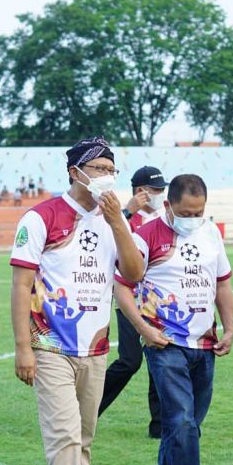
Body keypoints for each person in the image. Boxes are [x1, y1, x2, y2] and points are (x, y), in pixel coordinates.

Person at [10, 135, 143, 465]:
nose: (106, 176)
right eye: (98, 168)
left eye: (111, 169)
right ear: (75, 172)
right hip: (50, 344)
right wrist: (23, 348)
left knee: (84, 439)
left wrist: (119, 222)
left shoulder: (113, 220)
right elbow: (21, 285)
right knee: (65, 437)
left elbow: (134, 273)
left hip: (96, 346)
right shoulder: (42, 217)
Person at [116, 174, 233, 465]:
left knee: (189, 422)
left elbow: (222, 284)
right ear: (168, 205)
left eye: (199, 212)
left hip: (205, 344)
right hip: (165, 344)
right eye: (185, 212)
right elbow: (122, 287)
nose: (193, 218)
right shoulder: (145, 235)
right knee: (181, 419)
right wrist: (144, 329)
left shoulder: (211, 234)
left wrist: (229, 328)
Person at [98, 165, 168, 438]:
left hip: (156, 303)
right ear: (141, 191)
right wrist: (127, 212)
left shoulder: (165, 218)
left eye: (162, 189)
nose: (161, 194)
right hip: (128, 299)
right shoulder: (123, 218)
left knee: (158, 361)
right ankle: (88, 408)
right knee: (130, 361)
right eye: (156, 190)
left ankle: (159, 426)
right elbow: (107, 240)